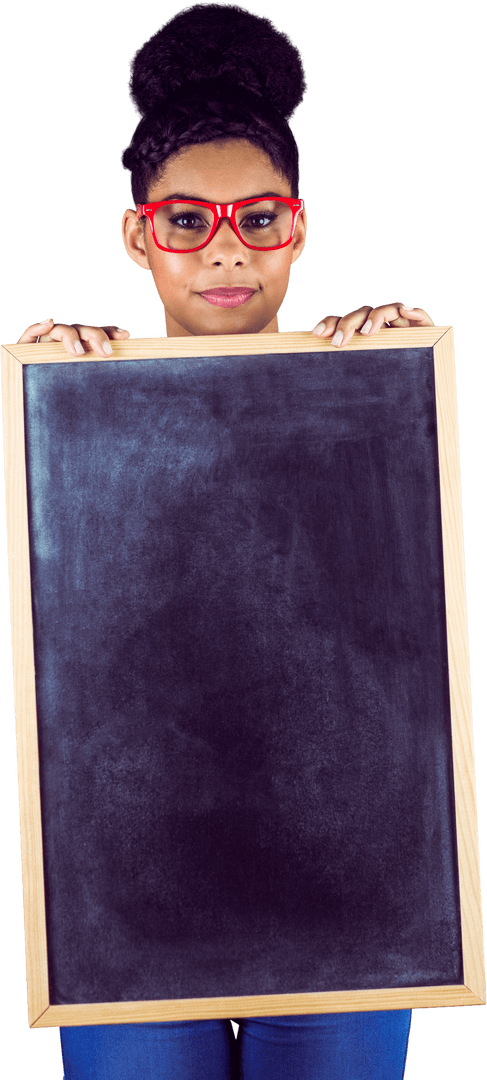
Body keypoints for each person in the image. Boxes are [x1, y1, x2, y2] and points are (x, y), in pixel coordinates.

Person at [18, 5, 434, 1078]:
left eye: (258, 218)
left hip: (349, 904)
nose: (223, 252)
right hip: (128, 908)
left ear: (298, 227)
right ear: (136, 234)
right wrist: (40, 412)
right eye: (185, 220)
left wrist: (404, 399)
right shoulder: (63, 407)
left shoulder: (382, 391)